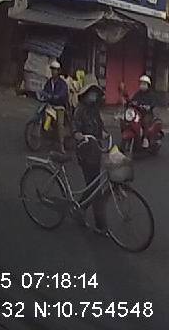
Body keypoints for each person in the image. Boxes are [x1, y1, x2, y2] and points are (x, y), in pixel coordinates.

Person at [71, 83, 108, 234]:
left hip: (96, 151)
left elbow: (100, 127)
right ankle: (100, 225)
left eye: (95, 94)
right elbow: (75, 129)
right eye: (90, 93)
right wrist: (78, 135)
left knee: (92, 186)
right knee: (95, 188)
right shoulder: (79, 110)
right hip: (85, 152)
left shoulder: (95, 110)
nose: (93, 96)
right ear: (85, 95)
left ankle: (79, 208)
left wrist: (104, 133)